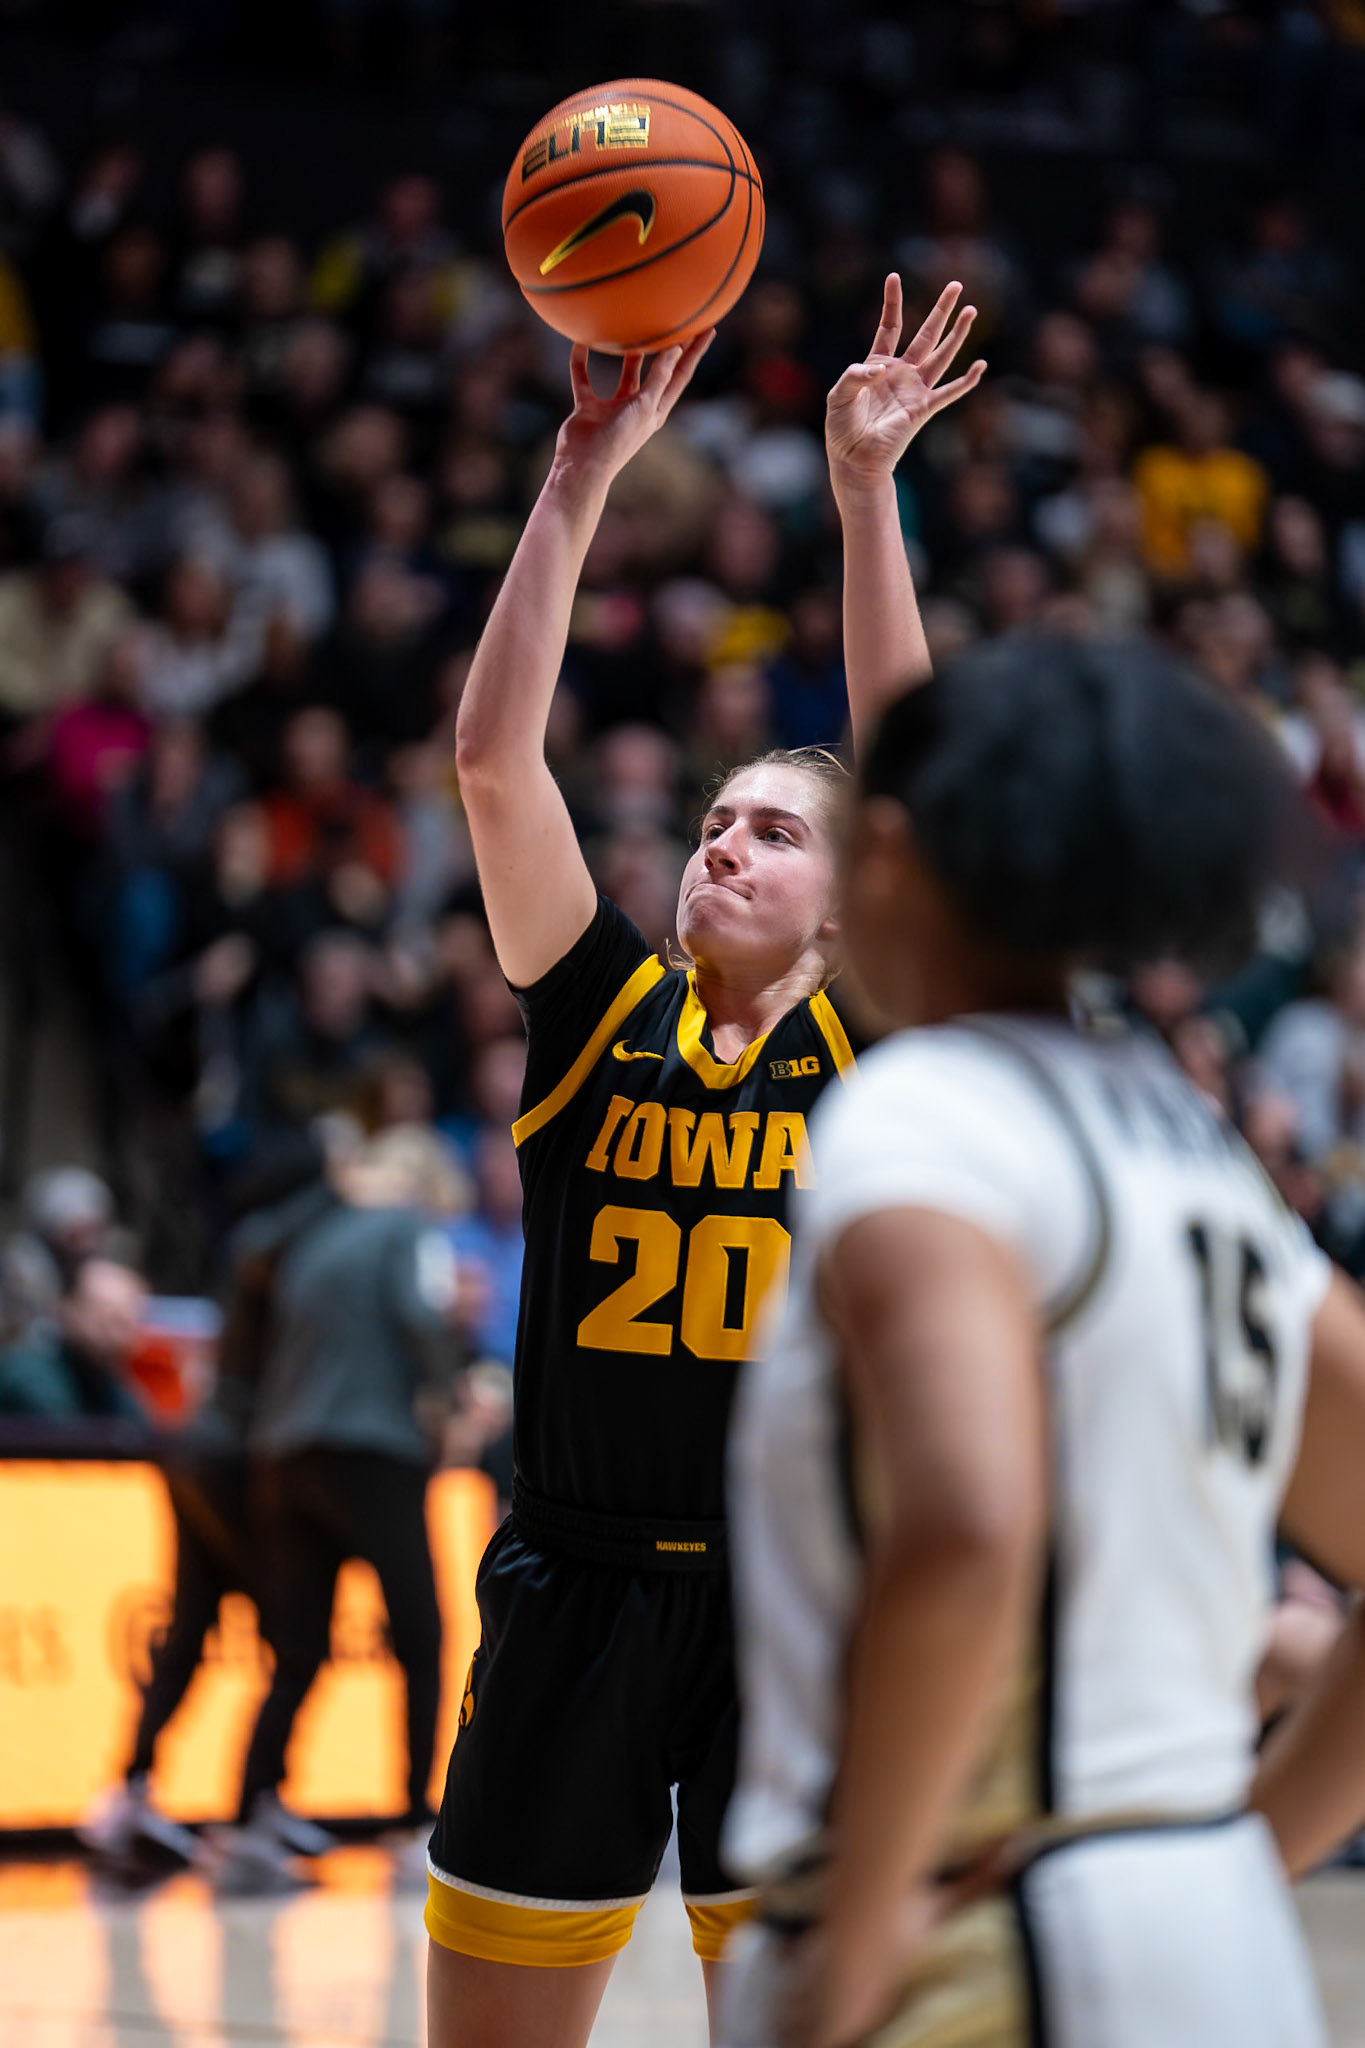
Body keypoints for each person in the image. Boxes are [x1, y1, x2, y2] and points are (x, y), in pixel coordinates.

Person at [425, 280, 984, 2048]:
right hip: (570, 1588)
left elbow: (922, 788)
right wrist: (583, 471)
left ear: (851, 890)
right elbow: (494, 762)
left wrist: (867, 492)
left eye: (780, 829)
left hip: (794, 1602)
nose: (728, 842)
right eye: (719, 818)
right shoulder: (599, 1015)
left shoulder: (867, 1044)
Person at [720, 638, 1365, 2047]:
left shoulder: (923, 1114)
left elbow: (965, 1520)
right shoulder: (1190, 1140)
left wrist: (857, 1932)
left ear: (885, 857)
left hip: (988, 1945)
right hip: (1206, 1932)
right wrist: (1251, 1850)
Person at [219, 1124, 465, 1888]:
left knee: (296, 1646)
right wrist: (453, 1392)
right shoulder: (405, 1229)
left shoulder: (310, 1234)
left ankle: (249, 1813)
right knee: (422, 1634)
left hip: (283, 1453)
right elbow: (418, 1315)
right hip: (371, 1448)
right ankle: (410, 1818)